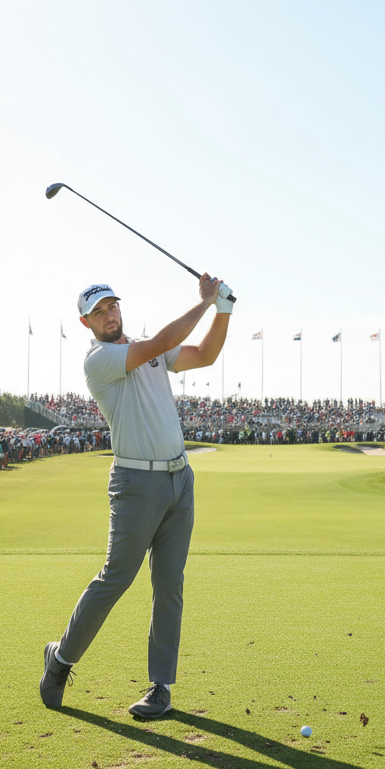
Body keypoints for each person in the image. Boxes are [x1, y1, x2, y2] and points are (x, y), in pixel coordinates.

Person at [40, 275, 233, 719]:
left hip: (178, 480)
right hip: (134, 484)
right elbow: (164, 340)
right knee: (116, 579)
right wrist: (204, 301)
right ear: (85, 321)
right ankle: (61, 659)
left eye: (113, 307)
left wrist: (223, 310)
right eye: (99, 311)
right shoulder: (101, 359)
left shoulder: (151, 349)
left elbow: (204, 354)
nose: (109, 315)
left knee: (170, 585)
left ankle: (161, 687)